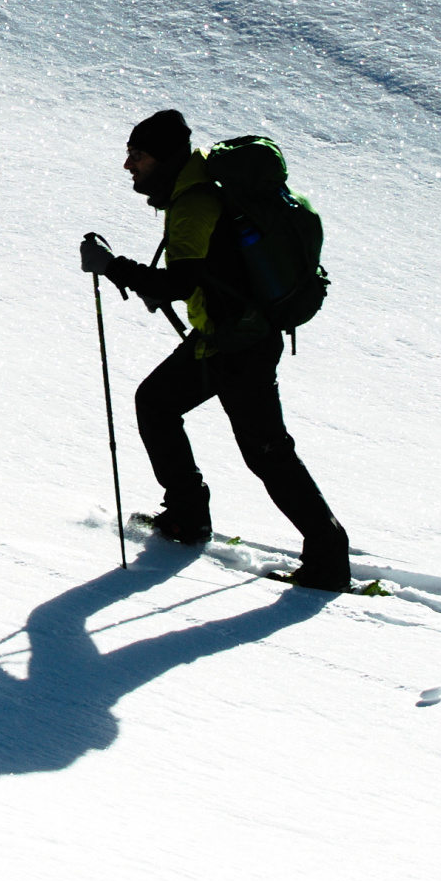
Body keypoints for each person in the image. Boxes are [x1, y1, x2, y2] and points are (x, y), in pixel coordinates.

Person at [79, 109, 354, 593]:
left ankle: (328, 559)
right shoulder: (197, 186)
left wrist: (111, 266)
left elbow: (179, 283)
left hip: (240, 346)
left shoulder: (194, 200)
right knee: (157, 402)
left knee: (267, 452)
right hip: (225, 338)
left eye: (138, 155)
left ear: (165, 158)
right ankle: (187, 517)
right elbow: (204, 274)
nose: (128, 165)